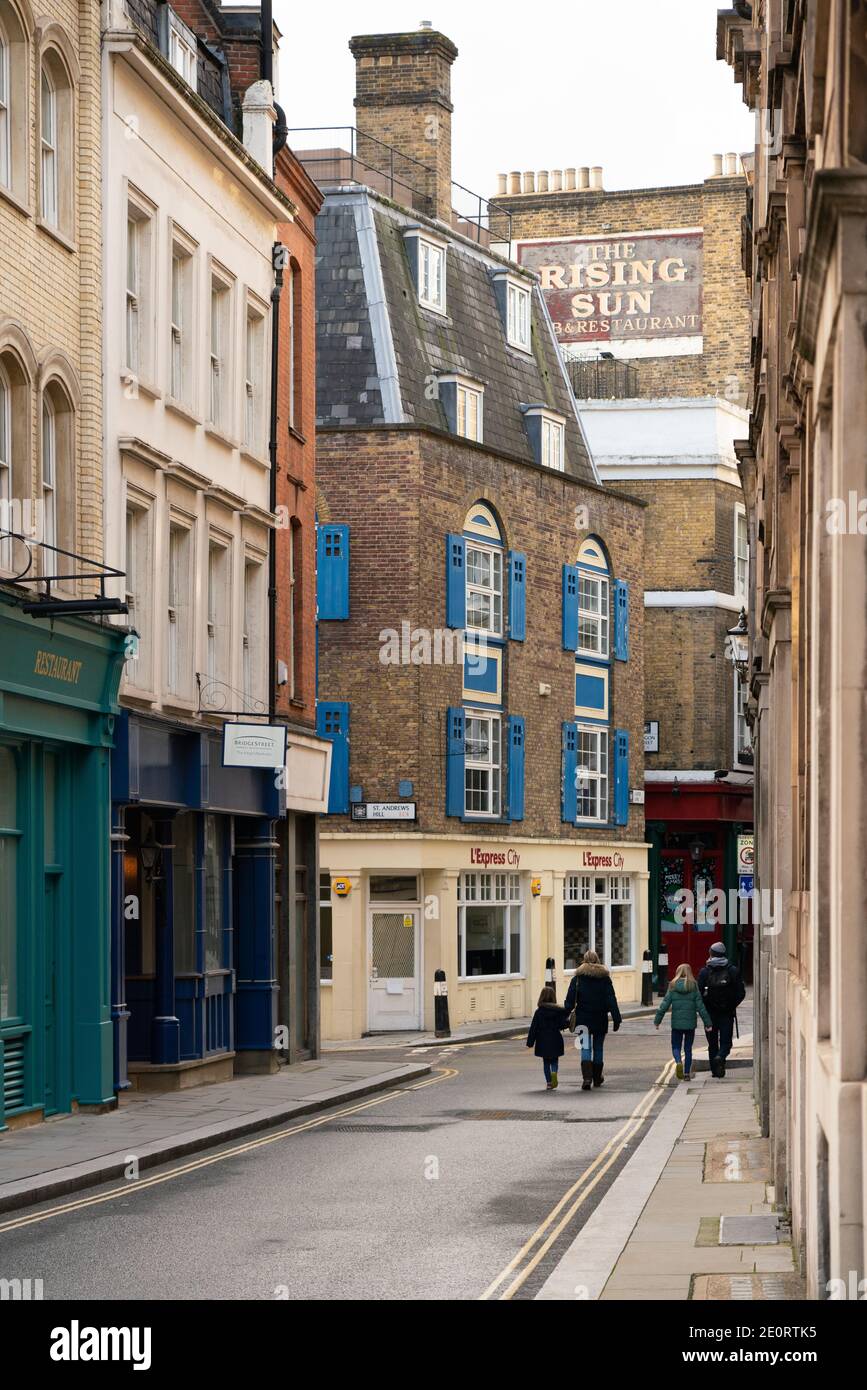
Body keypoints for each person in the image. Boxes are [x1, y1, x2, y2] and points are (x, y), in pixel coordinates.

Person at [563, 950, 621, 1089]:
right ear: (597, 960)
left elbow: (570, 1001)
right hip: (600, 1018)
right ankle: (597, 1078)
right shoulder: (604, 979)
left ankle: (587, 1078)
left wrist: (564, 1015)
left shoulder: (577, 979)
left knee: (585, 1047)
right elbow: (611, 999)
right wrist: (616, 1018)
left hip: (583, 1019)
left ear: (584, 960)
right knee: (598, 1048)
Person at [654, 962, 712, 1080]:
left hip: (677, 1024)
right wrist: (708, 1023)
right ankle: (686, 1074)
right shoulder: (693, 986)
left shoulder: (673, 985)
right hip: (690, 1024)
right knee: (688, 1048)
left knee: (675, 1046)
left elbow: (664, 1005)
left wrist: (657, 1020)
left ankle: (678, 1062)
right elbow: (701, 1007)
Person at [698, 941, 746, 1078]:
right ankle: (721, 1057)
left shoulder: (704, 972)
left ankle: (715, 1071)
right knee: (726, 1042)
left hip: (709, 1014)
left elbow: (698, 994)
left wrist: (704, 1009)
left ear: (711, 954)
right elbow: (741, 993)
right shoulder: (732, 970)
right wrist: (731, 1005)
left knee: (712, 1043)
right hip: (727, 1013)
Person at [526, 987, 570, 1089]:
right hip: (555, 1038)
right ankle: (554, 1072)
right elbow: (562, 1025)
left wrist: (530, 1042)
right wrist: (568, 1023)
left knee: (546, 1062)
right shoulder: (558, 1011)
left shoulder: (539, 1012)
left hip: (542, 1040)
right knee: (554, 1060)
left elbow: (534, 1028)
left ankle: (549, 1082)